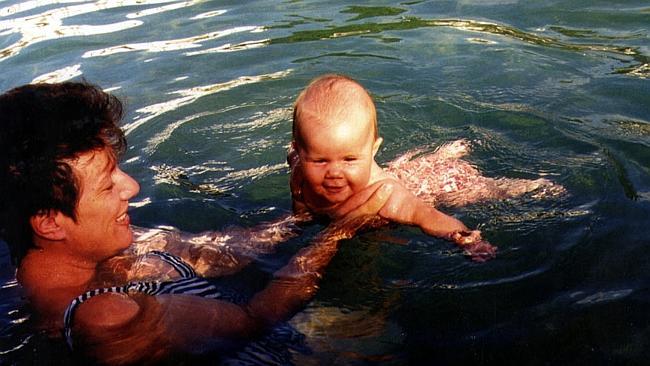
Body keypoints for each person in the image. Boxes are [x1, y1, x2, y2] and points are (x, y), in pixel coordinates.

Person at [0, 81, 391, 365]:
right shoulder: (102, 317)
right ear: (49, 223)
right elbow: (256, 319)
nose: (132, 187)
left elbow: (217, 253)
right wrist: (341, 230)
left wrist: (301, 218)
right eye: (107, 185)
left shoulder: (89, 249)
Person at [288, 75, 560, 261]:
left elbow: (426, 215)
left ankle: (530, 186)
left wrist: (464, 238)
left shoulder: (386, 196)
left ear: (373, 151)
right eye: (320, 160)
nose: (334, 172)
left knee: (482, 190)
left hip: (431, 187)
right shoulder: (299, 168)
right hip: (403, 173)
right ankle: (447, 151)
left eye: (349, 160)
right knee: (414, 168)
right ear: (300, 150)